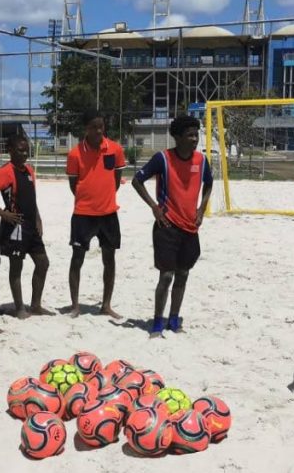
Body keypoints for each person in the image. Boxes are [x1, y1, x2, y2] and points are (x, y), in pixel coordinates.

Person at [132, 114, 213, 337]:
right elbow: (136, 181)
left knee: (183, 274)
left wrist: (201, 210)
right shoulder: (162, 159)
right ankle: (158, 322)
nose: (194, 139)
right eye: (190, 135)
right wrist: (153, 206)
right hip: (167, 226)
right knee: (166, 276)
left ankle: (174, 320)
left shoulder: (201, 161)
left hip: (190, 228)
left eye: (196, 135)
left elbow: (209, 184)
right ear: (177, 137)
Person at [0, 133, 52, 318]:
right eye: (20, 151)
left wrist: (38, 218)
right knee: (16, 268)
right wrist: (2, 213)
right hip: (15, 228)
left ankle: (35, 305)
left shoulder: (29, 170)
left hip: (31, 227)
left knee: (43, 263)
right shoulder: (6, 171)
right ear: (10, 150)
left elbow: (32, 198)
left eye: (26, 151)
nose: (24, 154)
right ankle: (20, 308)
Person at [66, 109, 126, 318]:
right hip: (83, 214)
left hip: (109, 213)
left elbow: (116, 179)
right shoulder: (75, 153)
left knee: (109, 259)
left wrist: (105, 198)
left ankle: (106, 305)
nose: (98, 130)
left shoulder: (115, 149)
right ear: (86, 128)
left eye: (101, 126)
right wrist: (88, 199)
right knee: (77, 258)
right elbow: (74, 185)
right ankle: (75, 305)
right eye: (94, 127)